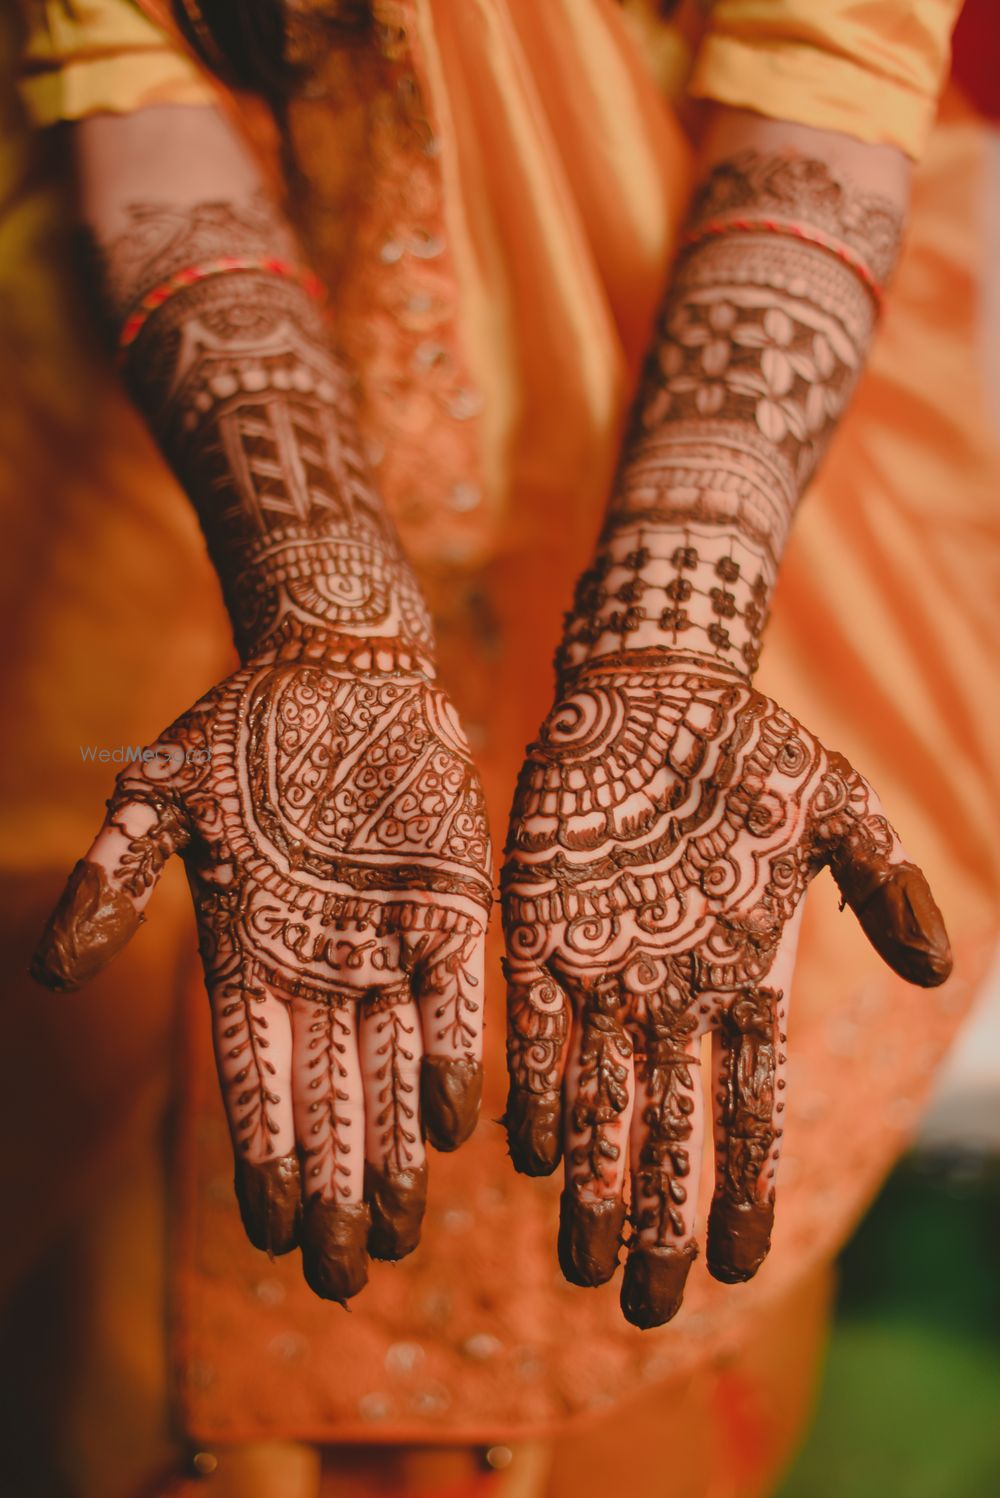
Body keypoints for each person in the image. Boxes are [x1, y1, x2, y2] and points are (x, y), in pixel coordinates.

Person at [2, 2, 998, 1496]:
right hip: (181, 398)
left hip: (663, 355)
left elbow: (825, 75)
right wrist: (324, 600)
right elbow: (134, 90)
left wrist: (676, 612)